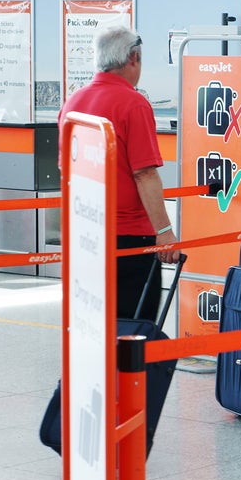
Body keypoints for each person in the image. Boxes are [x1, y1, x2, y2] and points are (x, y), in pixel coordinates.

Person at [58, 26, 180, 321]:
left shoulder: (73, 103)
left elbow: (66, 170)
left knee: (91, 322)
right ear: (134, 58)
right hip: (128, 239)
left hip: (85, 232)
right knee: (134, 327)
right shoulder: (133, 104)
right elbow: (145, 174)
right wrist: (164, 233)